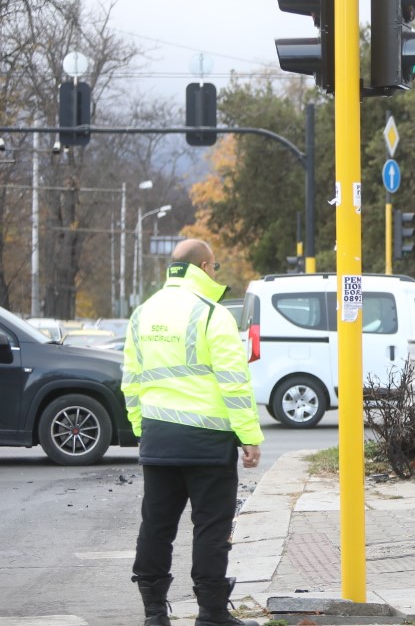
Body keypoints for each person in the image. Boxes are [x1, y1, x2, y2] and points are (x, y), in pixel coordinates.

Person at [122, 239, 263, 626]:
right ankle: (211, 615)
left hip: (159, 439)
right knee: (211, 529)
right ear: (203, 265)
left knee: (156, 526)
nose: (216, 273)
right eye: (215, 267)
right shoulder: (211, 314)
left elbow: (131, 381)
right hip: (207, 443)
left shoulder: (142, 313)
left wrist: (142, 429)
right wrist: (249, 437)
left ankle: (154, 614)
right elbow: (234, 383)